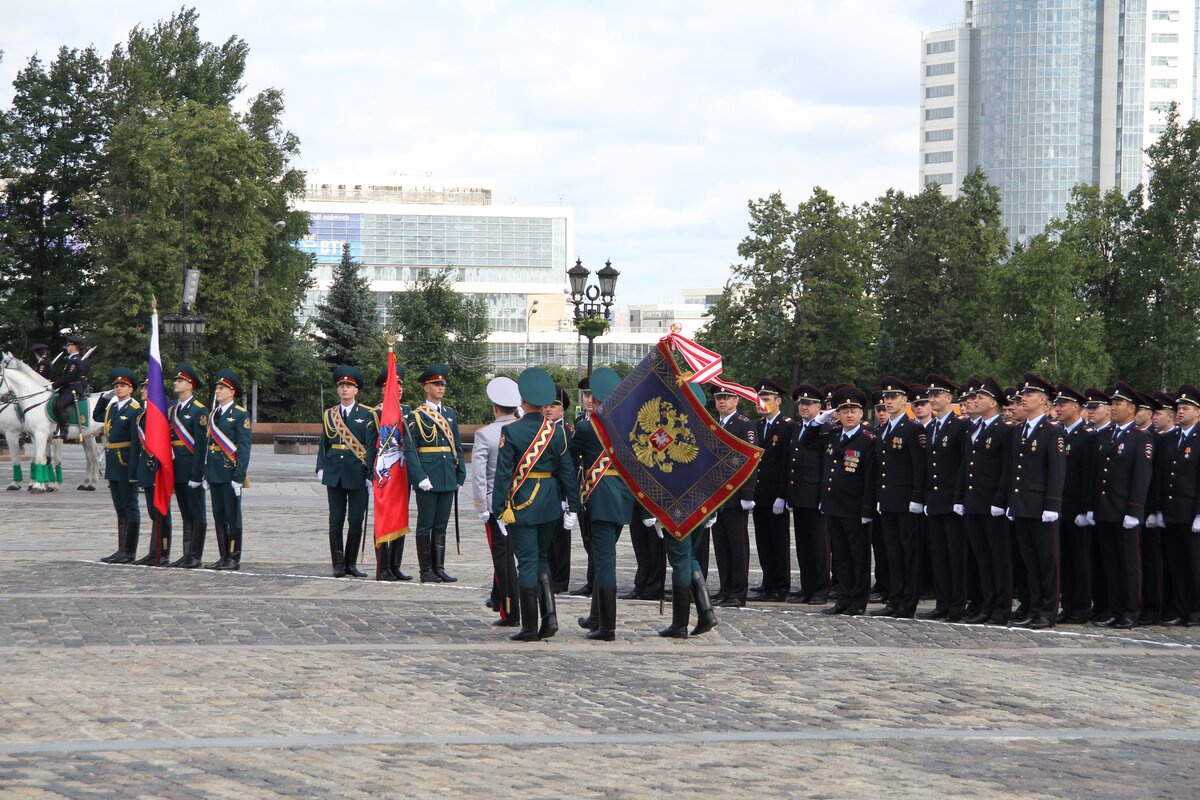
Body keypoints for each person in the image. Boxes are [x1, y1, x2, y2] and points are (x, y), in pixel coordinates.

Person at [491, 367, 580, 642]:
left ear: (522, 400)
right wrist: (573, 506)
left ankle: (530, 627)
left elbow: (503, 475)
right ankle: (549, 617)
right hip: (550, 503)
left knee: (527, 562)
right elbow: (567, 472)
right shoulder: (557, 432)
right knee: (542, 558)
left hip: (522, 504)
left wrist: (498, 509)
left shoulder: (511, 431)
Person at [570, 367, 633, 640]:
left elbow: (570, 457)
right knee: (601, 557)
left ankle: (607, 627)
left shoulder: (586, 428)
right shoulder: (629, 427)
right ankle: (596, 616)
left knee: (605, 561)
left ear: (596, 400)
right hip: (622, 499)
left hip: (599, 499)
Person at [1087, 380, 1153, 629]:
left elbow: (1141, 476)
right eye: (1112, 403)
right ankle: (1113, 608)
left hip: (1125, 510)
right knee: (1110, 563)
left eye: (1118, 403)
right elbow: (1096, 475)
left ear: (1132, 408)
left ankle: (1130, 610)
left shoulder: (1140, 438)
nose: (1113, 407)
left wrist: (1134, 509)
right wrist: (1092, 506)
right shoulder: (1104, 435)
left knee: (1129, 564)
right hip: (1105, 509)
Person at [658, 381, 720, 639]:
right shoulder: (712, 433)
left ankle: (679, 624)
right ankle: (706, 612)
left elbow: (654, 468)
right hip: (702, 505)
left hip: (676, 505)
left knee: (679, 560)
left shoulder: (665, 433)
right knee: (689, 556)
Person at [1006, 373, 1067, 630]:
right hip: (1023, 505)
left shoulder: (1052, 431)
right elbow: (1015, 470)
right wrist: (1012, 501)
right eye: (1023, 395)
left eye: (1029, 395)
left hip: (1042, 507)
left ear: (1043, 400)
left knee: (1047, 562)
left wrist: (1052, 505)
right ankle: (1033, 607)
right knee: (1030, 562)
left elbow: (1056, 470)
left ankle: (1047, 611)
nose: (1024, 399)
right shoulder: (1020, 430)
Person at [958, 377, 1012, 625]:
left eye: (980, 398)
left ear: (993, 403)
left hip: (992, 505)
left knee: (998, 558)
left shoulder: (1004, 429)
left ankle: (1001, 607)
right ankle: (986, 603)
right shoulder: (974, 428)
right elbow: (967, 465)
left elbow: (1006, 469)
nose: (975, 401)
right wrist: (960, 497)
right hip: (974, 502)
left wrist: (1000, 500)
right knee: (981, 556)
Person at [872, 376, 927, 619]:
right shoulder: (884, 429)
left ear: (904, 400)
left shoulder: (913, 429)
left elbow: (919, 467)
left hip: (906, 501)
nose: (889, 401)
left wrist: (917, 498)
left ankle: (908, 601)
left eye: (894, 397)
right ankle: (894, 599)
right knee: (892, 552)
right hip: (888, 499)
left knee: (909, 553)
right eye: (886, 397)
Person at [820, 386, 877, 616]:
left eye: (854, 411)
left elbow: (870, 478)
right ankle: (843, 598)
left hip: (855, 507)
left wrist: (867, 509)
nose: (849, 415)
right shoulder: (833, 435)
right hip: (834, 505)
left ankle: (858, 601)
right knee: (841, 556)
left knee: (858, 556)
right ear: (838, 414)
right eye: (844, 411)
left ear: (861, 413)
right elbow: (814, 438)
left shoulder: (868, 440)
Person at [316, 366, 377, 578]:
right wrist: (321, 466)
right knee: (335, 520)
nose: (344, 389)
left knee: (356, 519)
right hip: (334, 473)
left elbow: (371, 447)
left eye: (349, 386)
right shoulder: (329, 414)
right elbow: (324, 444)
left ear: (356, 390)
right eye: (341, 385)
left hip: (358, 473)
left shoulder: (368, 414)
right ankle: (338, 564)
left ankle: (351, 564)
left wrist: (370, 474)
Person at [472, 376, 523, 626]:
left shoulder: (486, 434)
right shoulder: (526, 430)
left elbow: (479, 475)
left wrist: (481, 506)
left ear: (495, 408)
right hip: (525, 502)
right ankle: (497, 597)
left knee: (502, 558)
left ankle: (509, 611)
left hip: (498, 505)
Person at [920, 374, 970, 622]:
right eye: (930, 395)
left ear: (949, 398)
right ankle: (942, 602)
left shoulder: (960, 426)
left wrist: (959, 497)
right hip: (935, 499)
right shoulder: (932, 427)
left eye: (937, 395)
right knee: (938, 554)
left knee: (955, 555)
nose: (932, 399)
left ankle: (957, 604)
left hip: (952, 500)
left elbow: (963, 464)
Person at [408, 364, 465, 583]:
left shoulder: (449, 414)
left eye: (442, 384)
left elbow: (456, 446)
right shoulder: (416, 416)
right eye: (436, 384)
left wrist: (460, 475)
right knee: (426, 524)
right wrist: (419, 477)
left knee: (441, 525)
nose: (441, 387)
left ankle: (439, 568)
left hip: (447, 475)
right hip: (428, 477)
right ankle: (426, 570)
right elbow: (410, 450)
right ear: (426, 387)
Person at [709, 386, 759, 607]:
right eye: (719, 398)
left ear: (736, 400)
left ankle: (738, 592)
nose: (722, 402)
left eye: (727, 398)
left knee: (737, 546)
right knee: (721, 545)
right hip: (717, 494)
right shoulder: (715, 423)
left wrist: (747, 493)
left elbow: (751, 459)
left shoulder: (744, 424)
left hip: (735, 493)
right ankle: (725, 588)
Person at [1157, 384, 1200, 626]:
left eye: (1186, 408)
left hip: (1191, 512)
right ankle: (1180, 608)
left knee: (1195, 564)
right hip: (1172, 511)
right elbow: (1163, 476)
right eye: (1179, 408)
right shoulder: (1171, 438)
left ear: (1198, 412)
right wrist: (1159, 509)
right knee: (1176, 563)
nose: (1180, 411)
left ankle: (1197, 610)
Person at [785, 383, 831, 604]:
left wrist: (824, 496)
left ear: (818, 407)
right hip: (799, 495)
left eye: (809, 403)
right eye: (801, 403)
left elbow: (826, 465)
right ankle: (807, 587)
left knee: (819, 546)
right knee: (803, 545)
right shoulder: (796, 428)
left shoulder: (825, 428)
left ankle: (820, 589)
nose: (804, 407)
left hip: (815, 495)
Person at [750, 377, 794, 602]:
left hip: (775, 493)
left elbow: (787, 464)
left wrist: (782, 495)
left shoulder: (787, 426)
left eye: (766, 399)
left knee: (778, 541)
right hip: (759, 493)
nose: (761, 403)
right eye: (759, 399)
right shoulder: (757, 427)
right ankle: (768, 582)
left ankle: (780, 586)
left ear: (778, 401)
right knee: (763, 540)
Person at [1055, 384, 1095, 624]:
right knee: (1065, 560)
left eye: (1063, 404)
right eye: (1057, 404)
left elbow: (1088, 476)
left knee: (1080, 560)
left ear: (1076, 407)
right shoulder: (1058, 432)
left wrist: (1085, 509)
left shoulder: (1087, 436)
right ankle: (1068, 604)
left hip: (1076, 507)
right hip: (1059, 506)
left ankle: (1082, 606)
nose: (1058, 408)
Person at [205, 368, 252, 571]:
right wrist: (206, 473)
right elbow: (209, 445)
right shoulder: (214, 414)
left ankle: (234, 557)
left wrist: (239, 476)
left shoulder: (240, 414)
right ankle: (223, 556)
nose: (218, 390)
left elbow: (244, 448)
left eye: (222, 388)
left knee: (232, 516)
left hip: (229, 472)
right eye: (217, 387)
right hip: (214, 472)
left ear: (232, 392)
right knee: (219, 515)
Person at [94, 368, 141, 564]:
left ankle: (129, 551)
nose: (119, 388)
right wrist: (104, 398)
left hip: (125, 461)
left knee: (130, 506)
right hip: (113, 463)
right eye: (116, 386)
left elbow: (136, 442)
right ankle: (121, 549)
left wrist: (134, 470)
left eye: (123, 385)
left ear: (131, 389)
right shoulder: (113, 408)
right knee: (120, 508)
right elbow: (97, 416)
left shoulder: (135, 409)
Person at [373, 367, 416, 581]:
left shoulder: (408, 412)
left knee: (400, 516)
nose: (397, 388)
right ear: (384, 389)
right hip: (384, 473)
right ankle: (383, 567)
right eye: (392, 385)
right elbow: (370, 446)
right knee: (383, 517)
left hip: (402, 472)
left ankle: (395, 565)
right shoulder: (376, 413)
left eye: (400, 385)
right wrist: (370, 473)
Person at [167, 363, 209, 569]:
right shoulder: (173, 410)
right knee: (185, 512)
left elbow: (201, 447)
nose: (176, 383)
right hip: (177, 468)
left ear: (190, 385)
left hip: (191, 469)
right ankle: (186, 554)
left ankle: (195, 556)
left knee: (197, 512)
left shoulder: (199, 410)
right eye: (176, 380)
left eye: (180, 380)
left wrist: (197, 473)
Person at [132, 379, 172, 566]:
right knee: (152, 511)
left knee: (162, 511)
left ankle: (162, 552)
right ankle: (153, 552)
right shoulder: (145, 413)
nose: (142, 390)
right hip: (147, 468)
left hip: (158, 468)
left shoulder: (163, 411)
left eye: (146, 387)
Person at [543, 385, 575, 593]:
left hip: (560, 491)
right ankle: (549, 574)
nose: (548, 409)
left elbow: (569, 467)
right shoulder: (542, 430)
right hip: (544, 490)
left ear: (562, 409)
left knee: (560, 539)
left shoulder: (567, 432)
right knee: (547, 537)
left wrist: (567, 497)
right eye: (545, 406)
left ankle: (561, 580)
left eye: (553, 406)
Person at [570, 376, 596, 598]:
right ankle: (591, 580)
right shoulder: (580, 421)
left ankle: (596, 582)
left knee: (600, 540)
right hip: (583, 486)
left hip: (601, 485)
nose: (589, 400)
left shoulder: (611, 421)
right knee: (587, 537)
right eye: (586, 395)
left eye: (592, 396)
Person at [51, 335, 91, 441]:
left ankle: (63, 430)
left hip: (73, 387)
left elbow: (69, 377)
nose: (67, 347)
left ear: (73, 346)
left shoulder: (75, 360)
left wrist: (54, 385)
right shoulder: (72, 359)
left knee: (60, 405)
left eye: (69, 345)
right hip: (67, 387)